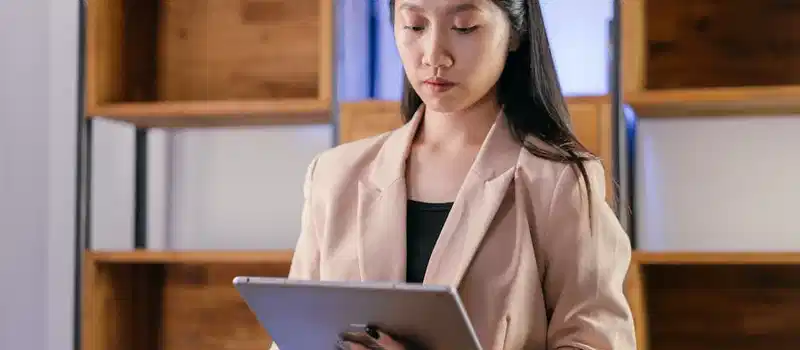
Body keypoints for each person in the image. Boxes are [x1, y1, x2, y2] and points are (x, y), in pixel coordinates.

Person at [282, 0, 636, 349]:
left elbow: (596, 343)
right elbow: (293, 336)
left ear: (515, 32)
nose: (434, 55)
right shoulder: (333, 176)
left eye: (464, 26)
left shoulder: (559, 182)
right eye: (415, 26)